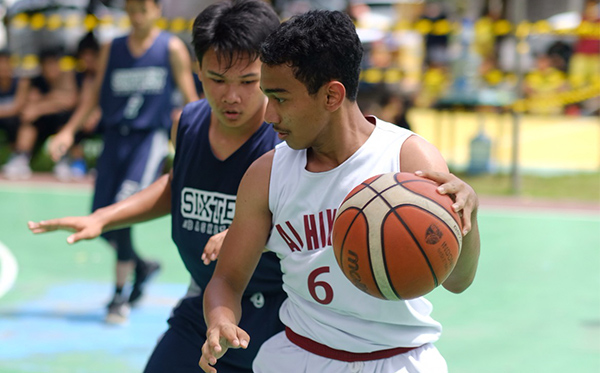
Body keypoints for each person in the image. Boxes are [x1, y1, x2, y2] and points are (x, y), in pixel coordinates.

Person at [199, 10, 481, 373]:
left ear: (332, 95)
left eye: (281, 98)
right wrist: (220, 318)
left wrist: (467, 217)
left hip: (398, 361)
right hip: (299, 356)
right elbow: (226, 279)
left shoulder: (407, 158)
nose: (269, 114)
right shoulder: (266, 174)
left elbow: (458, 281)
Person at [29, 1, 286, 371]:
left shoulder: (285, 137)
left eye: (248, 82)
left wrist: (244, 232)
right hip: (201, 306)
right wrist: (105, 217)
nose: (232, 96)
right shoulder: (191, 121)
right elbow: (175, 184)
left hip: (274, 316)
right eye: (217, 79)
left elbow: (307, 210)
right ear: (197, 70)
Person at [43, 0, 199, 324]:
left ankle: (118, 296)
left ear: (157, 9)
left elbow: (191, 100)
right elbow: (92, 95)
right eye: (131, 7)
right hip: (115, 138)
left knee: (122, 208)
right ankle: (142, 267)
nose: (136, 14)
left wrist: (200, 140)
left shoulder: (170, 48)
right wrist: (68, 132)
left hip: (148, 139)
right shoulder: (111, 48)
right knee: (100, 218)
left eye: (143, 7)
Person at [2, 48, 78, 180]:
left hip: (59, 124)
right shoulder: (34, 81)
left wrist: (41, 105)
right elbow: (28, 109)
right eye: (47, 64)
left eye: (54, 63)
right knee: (29, 123)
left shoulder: (67, 77)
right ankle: (21, 157)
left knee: (65, 122)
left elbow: (70, 101)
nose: (51, 68)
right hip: (39, 125)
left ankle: (64, 161)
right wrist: (54, 100)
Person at [53, 31, 102, 181]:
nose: (87, 59)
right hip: (81, 118)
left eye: (91, 55)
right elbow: (73, 100)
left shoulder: (106, 75)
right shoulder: (76, 75)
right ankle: (74, 161)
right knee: (66, 121)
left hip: (104, 119)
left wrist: (97, 113)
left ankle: (104, 165)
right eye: (84, 55)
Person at [0, 50, 30, 155]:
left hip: (15, 122)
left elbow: (17, 107)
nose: (3, 66)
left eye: (6, 62)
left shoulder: (21, 82)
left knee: (26, 122)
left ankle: (20, 156)